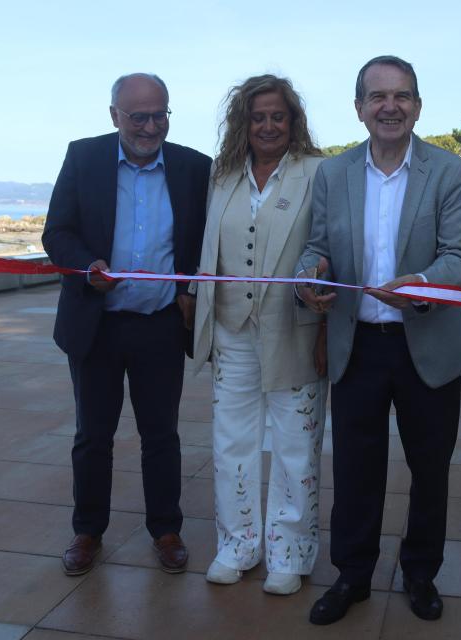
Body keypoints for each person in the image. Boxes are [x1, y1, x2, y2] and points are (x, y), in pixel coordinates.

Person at [296, 55, 461, 625]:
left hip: (428, 342)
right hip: (358, 346)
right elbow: (316, 247)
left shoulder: (448, 170)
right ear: (359, 108)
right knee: (356, 470)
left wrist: (420, 284)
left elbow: (460, 257)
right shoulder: (334, 174)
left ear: (418, 106)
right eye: (377, 96)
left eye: (401, 96)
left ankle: (420, 573)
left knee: (430, 468)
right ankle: (353, 575)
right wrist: (309, 277)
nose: (390, 106)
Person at [42, 73, 211, 577]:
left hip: (160, 325)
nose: (151, 127)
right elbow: (57, 233)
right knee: (93, 435)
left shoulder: (193, 167)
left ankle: (166, 530)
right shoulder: (83, 157)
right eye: (139, 117)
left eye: (160, 115)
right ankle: (88, 531)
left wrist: (190, 290)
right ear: (114, 114)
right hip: (97, 324)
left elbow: (205, 240)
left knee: (161, 435)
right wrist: (87, 266)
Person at [192, 75, 327, 595]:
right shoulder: (223, 175)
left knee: (296, 444)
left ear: (293, 121)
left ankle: (290, 552)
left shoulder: (318, 172)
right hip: (232, 329)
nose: (268, 126)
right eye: (257, 117)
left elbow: (329, 245)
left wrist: (325, 318)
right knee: (231, 442)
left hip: (295, 330)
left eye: (277, 116)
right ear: (242, 123)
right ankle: (238, 543)